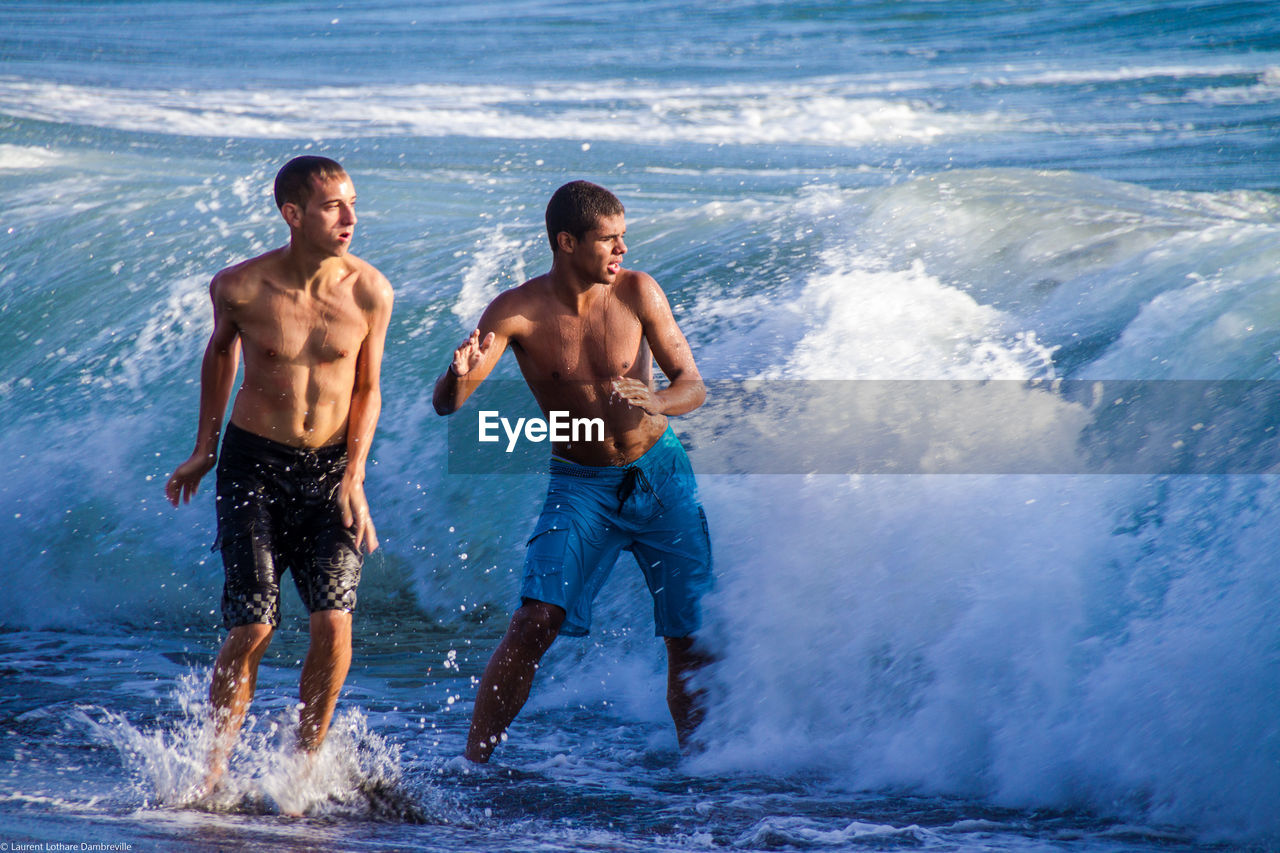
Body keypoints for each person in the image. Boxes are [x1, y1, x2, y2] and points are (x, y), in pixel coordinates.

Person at [434, 180, 714, 763]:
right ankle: (474, 765)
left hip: (661, 477)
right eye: (609, 240)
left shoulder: (639, 292)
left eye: (623, 239)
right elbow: (448, 403)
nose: (622, 251)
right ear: (567, 241)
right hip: (581, 485)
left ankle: (702, 768)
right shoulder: (517, 313)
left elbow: (693, 384)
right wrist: (456, 378)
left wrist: (659, 402)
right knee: (536, 619)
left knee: (688, 635)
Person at [164, 155, 393, 794]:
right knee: (254, 624)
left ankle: (302, 767)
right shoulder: (240, 288)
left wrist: (355, 476)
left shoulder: (369, 290)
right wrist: (204, 449)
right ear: (293, 214)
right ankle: (211, 771)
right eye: (332, 206)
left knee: (333, 621)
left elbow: (369, 389)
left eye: (351, 203)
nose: (349, 217)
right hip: (252, 465)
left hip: (330, 471)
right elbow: (219, 359)